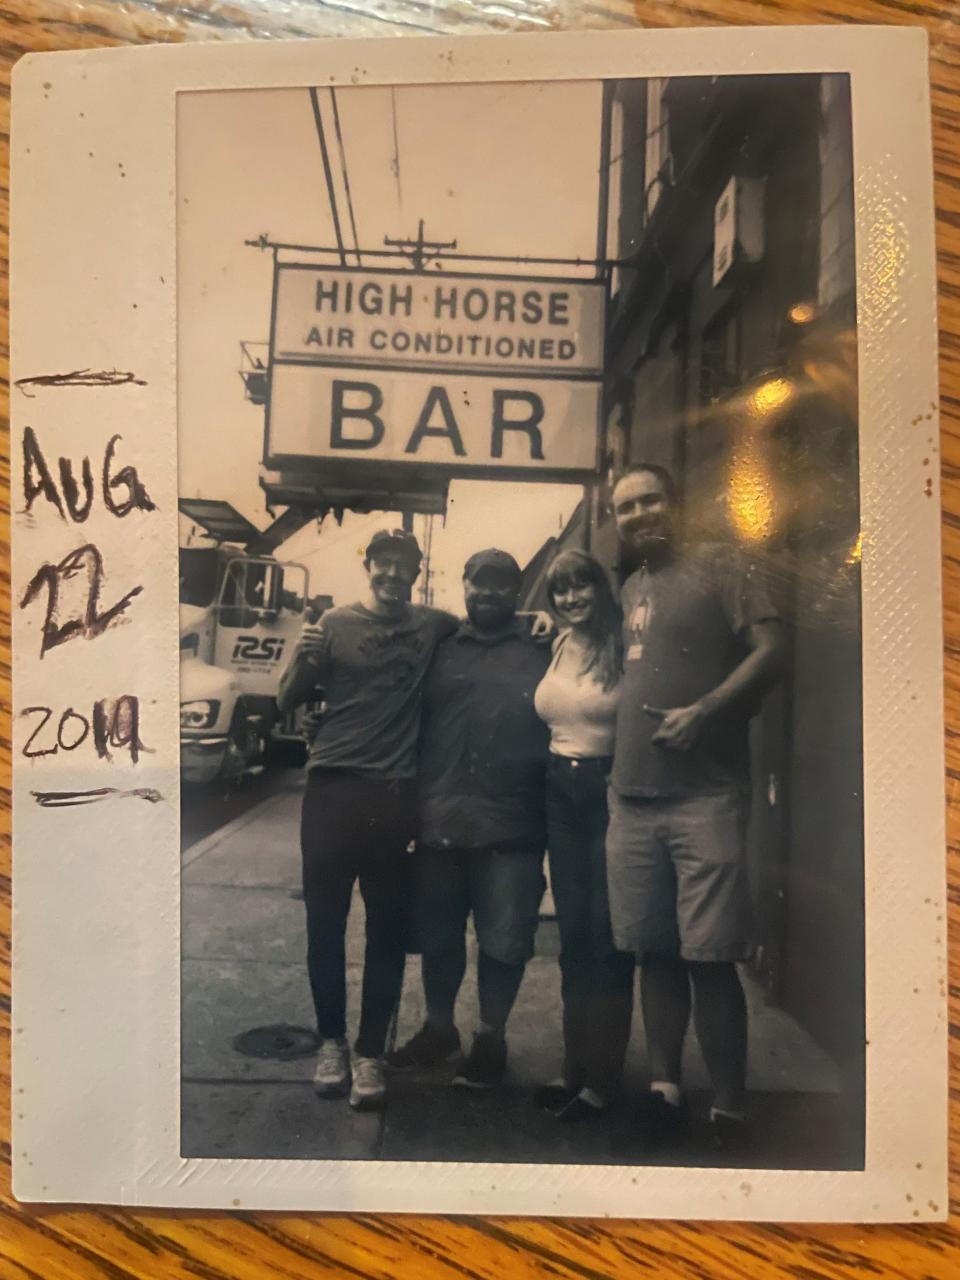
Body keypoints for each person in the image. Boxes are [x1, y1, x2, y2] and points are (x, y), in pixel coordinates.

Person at [605, 464, 784, 1149]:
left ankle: (731, 1107)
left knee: (710, 956)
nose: (640, 514)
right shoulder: (630, 586)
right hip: (632, 798)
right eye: (626, 508)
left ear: (675, 503)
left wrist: (705, 711)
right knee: (654, 951)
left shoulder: (723, 565)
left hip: (704, 798)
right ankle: (664, 1086)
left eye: (651, 500)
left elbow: (773, 650)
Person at [277, 528, 456, 1111]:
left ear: (416, 571)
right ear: (369, 566)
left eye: (403, 566)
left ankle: (370, 1053)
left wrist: (534, 628)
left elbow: (482, 632)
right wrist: (303, 661)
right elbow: (287, 699)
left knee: (387, 932)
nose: (392, 574)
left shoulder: (433, 626)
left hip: (393, 797)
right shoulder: (331, 626)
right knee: (324, 927)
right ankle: (331, 1043)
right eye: (383, 563)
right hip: (331, 791)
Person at [388, 549, 551, 1088]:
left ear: (517, 590)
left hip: (513, 826)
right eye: (477, 583)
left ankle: (490, 1038)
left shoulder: (543, 649)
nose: (487, 593)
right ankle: (439, 1030)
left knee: (504, 940)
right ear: (463, 584)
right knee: (439, 936)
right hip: (439, 822)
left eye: (500, 585)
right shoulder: (438, 645)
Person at [533, 549, 636, 1122]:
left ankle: (605, 1079)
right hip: (559, 792)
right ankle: (574, 1066)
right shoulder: (556, 642)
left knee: (608, 938)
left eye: (581, 587)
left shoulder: (623, 645)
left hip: (607, 791)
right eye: (561, 590)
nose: (571, 598)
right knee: (574, 938)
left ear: (600, 587)